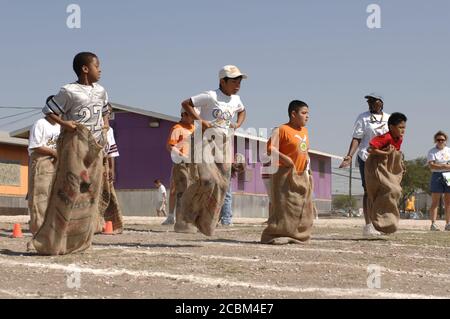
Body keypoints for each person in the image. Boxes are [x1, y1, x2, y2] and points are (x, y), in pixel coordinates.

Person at [33, 52, 110, 255]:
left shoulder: (102, 91)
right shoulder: (68, 91)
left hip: (94, 146)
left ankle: (81, 239)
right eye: (97, 66)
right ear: (85, 69)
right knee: (70, 188)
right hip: (75, 144)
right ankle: (54, 240)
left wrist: (105, 127)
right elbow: (48, 109)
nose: (100, 69)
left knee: (91, 191)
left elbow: (105, 112)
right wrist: (65, 123)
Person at [178, 65, 247, 235]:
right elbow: (186, 103)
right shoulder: (211, 96)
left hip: (223, 144)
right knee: (208, 180)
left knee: (223, 184)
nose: (237, 84)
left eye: (239, 81)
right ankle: (186, 213)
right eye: (233, 81)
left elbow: (243, 111)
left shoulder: (236, 100)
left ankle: (207, 222)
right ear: (223, 81)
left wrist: (237, 125)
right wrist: (201, 120)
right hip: (205, 141)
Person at [261, 100, 315, 244]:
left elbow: (304, 150)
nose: (307, 116)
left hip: (301, 174)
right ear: (293, 114)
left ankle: (297, 234)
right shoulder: (281, 129)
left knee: (300, 207)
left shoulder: (305, 131)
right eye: (304, 113)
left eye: (308, 113)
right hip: (283, 174)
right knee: (284, 207)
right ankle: (276, 233)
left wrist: (307, 168)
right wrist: (287, 160)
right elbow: (270, 149)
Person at [339, 93, 390, 237]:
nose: (370, 103)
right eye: (369, 101)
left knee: (383, 191)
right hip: (366, 157)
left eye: (373, 101)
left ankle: (381, 222)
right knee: (368, 191)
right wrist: (349, 156)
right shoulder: (363, 117)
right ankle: (368, 226)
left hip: (382, 158)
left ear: (381, 102)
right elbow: (357, 138)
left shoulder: (388, 118)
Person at [365, 112, 407, 234]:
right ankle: (379, 219)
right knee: (391, 189)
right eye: (400, 127)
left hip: (388, 168)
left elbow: (396, 153)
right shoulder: (386, 137)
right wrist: (385, 153)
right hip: (377, 166)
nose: (403, 130)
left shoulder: (399, 139)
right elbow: (370, 149)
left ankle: (388, 222)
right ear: (391, 127)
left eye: (404, 127)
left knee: (396, 191)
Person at [27, 98, 61, 235]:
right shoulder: (40, 124)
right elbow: (35, 146)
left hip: (56, 163)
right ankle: (39, 230)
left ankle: (53, 229)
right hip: (41, 162)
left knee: (55, 197)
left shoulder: (60, 126)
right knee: (39, 197)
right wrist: (54, 152)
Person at [162, 108, 197, 226]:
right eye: (192, 115)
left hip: (193, 163)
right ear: (184, 115)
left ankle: (189, 217)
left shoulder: (195, 129)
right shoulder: (177, 128)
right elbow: (170, 146)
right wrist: (182, 155)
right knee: (174, 189)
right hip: (180, 163)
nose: (194, 118)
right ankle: (171, 216)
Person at [427, 131, 450, 231]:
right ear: (435, 140)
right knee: (435, 201)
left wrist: (440, 165)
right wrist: (444, 165)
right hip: (436, 175)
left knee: (448, 202)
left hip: (448, 175)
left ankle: (448, 224)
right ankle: (433, 224)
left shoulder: (449, 150)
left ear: (446, 140)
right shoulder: (432, 151)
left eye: (442, 140)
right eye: (438, 139)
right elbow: (431, 165)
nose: (440, 141)